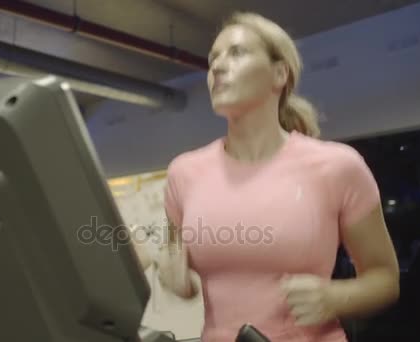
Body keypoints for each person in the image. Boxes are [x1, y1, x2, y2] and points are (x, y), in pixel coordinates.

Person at [135, 11, 400, 342]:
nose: (216, 67)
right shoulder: (184, 172)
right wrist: (181, 283)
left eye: (236, 53)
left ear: (279, 74)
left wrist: (336, 298)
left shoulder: (337, 166)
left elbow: (385, 278)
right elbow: (177, 260)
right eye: (213, 58)